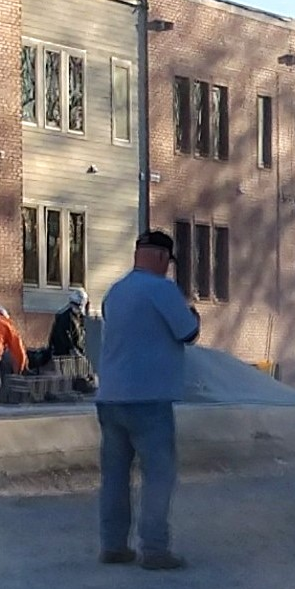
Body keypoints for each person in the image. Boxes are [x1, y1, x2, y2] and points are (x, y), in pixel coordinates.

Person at [96, 230, 199, 570]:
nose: (169, 269)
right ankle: (154, 549)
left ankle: (113, 545)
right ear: (159, 257)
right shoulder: (162, 290)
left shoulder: (116, 292)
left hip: (110, 397)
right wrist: (194, 314)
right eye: (168, 262)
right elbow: (188, 332)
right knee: (158, 475)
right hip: (149, 397)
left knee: (115, 476)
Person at [49, 288, 88, 359]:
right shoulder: (65, 317)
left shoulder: (80, 317)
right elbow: (64, 336)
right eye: (76, 304)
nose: (78, 307)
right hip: (64, 355)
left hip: (75, 354)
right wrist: (73, 350)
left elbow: (81, 335)